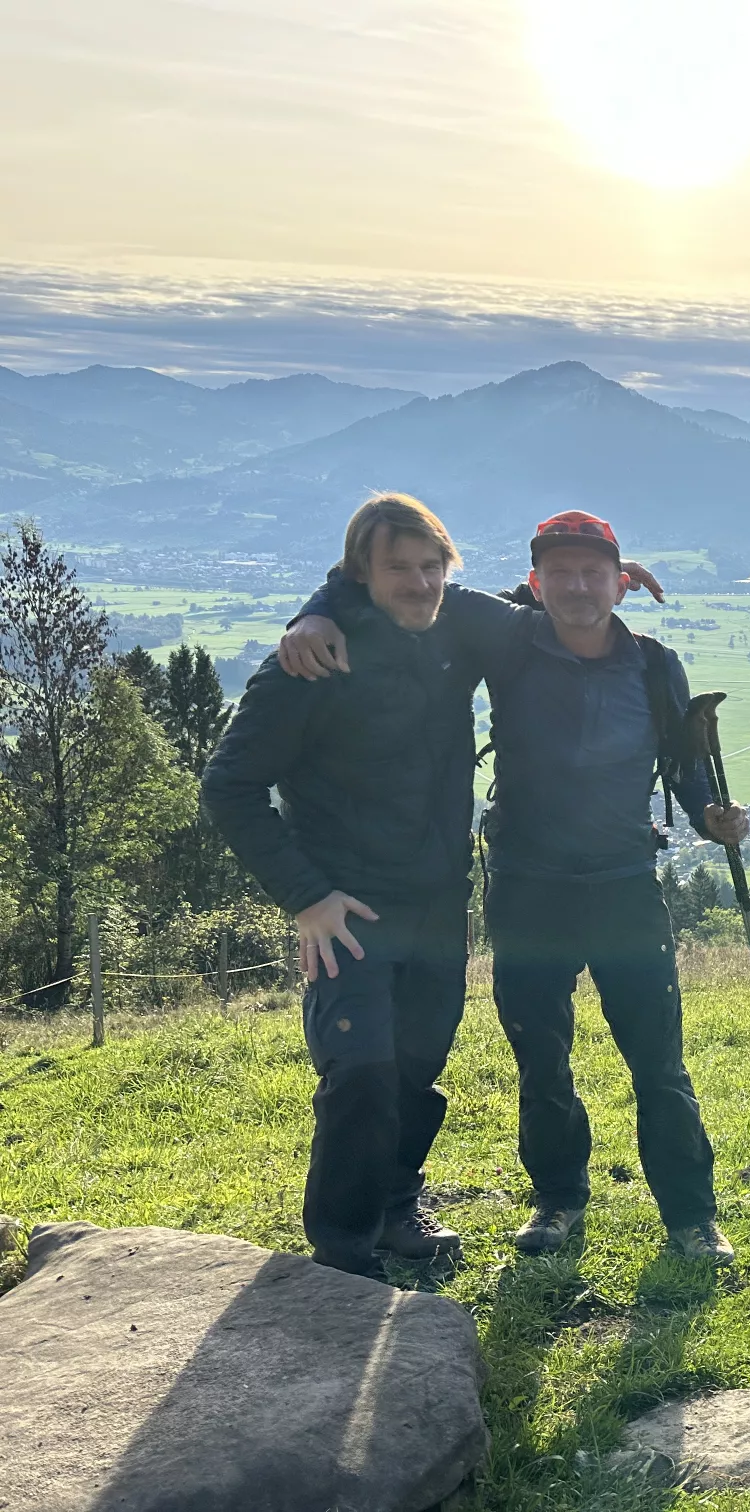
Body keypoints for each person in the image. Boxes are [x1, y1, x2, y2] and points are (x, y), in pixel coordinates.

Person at [278, 510, 749, 1264]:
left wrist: (710, 814)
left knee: (658, 1060)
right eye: (558, 572)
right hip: (528, 886)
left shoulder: (657, 667)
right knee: (542, 1057)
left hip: (625, 884)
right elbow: (404, 587)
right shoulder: (507, 641)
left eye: (593, 573)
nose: (576, 586)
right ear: (533, 584)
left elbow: (683, 763)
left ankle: (691, 1216)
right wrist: (316, 611)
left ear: (621, 583)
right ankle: (558, 1200)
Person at [202, 494, 482, 1279]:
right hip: (349, 909)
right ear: (362, 571)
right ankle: (343, 1251)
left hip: (437, 902)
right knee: (359, 1072)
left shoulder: (453, 630)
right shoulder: (309, 662)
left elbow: (537, 616)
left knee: (417, 1065)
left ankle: (396, 1206)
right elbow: (228, 787)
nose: (419, 583)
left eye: (432, 566)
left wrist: (602, 576)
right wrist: (306, 895)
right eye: (398, 567)